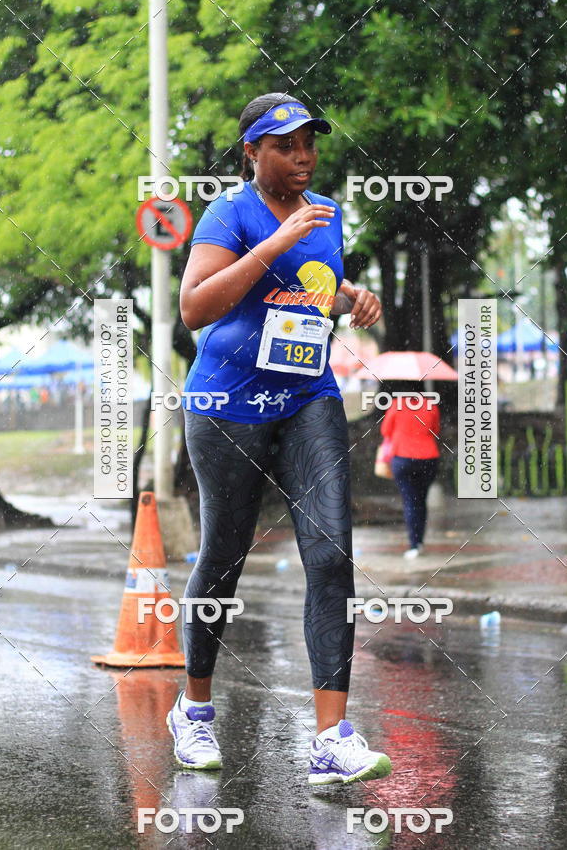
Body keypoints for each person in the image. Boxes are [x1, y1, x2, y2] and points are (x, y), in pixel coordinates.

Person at [167, 92, 392, 786]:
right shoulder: (228, 214)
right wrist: (273, 242)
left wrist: (349, 296)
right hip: (228, 402)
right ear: (252, 153)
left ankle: (331, 738)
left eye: (309, 144)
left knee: (331, 554)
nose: (303, 156)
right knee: (224, 555)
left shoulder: (327, 213)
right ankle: (194, 710)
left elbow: (311, 287)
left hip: (306, 397)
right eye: (285, 145)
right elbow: (194, 307)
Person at [380, 386, 440, 560]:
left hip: (402, 458)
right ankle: (419, 541)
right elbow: (435, 430)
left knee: (410, 501)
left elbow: (385, 431)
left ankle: (414, 544)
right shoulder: (431, 405)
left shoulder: (396, 404)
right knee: (421, 500)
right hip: (428, 458)